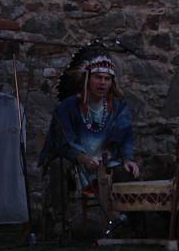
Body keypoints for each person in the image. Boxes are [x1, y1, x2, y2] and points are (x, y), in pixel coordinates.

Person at [38, 47, 140, 233]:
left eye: (107, 79)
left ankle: (125, 225)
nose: (102, 83)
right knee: (57, 167)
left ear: (112, 82)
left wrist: (128, 158)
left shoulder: (118, 108)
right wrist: (82, 158)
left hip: (107, 161)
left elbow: (125, 137)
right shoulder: (68, 107)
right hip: (75, 161)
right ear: (87, 79)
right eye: (98, 77)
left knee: (128, 172)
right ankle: (60, 224)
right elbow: (62, 141)